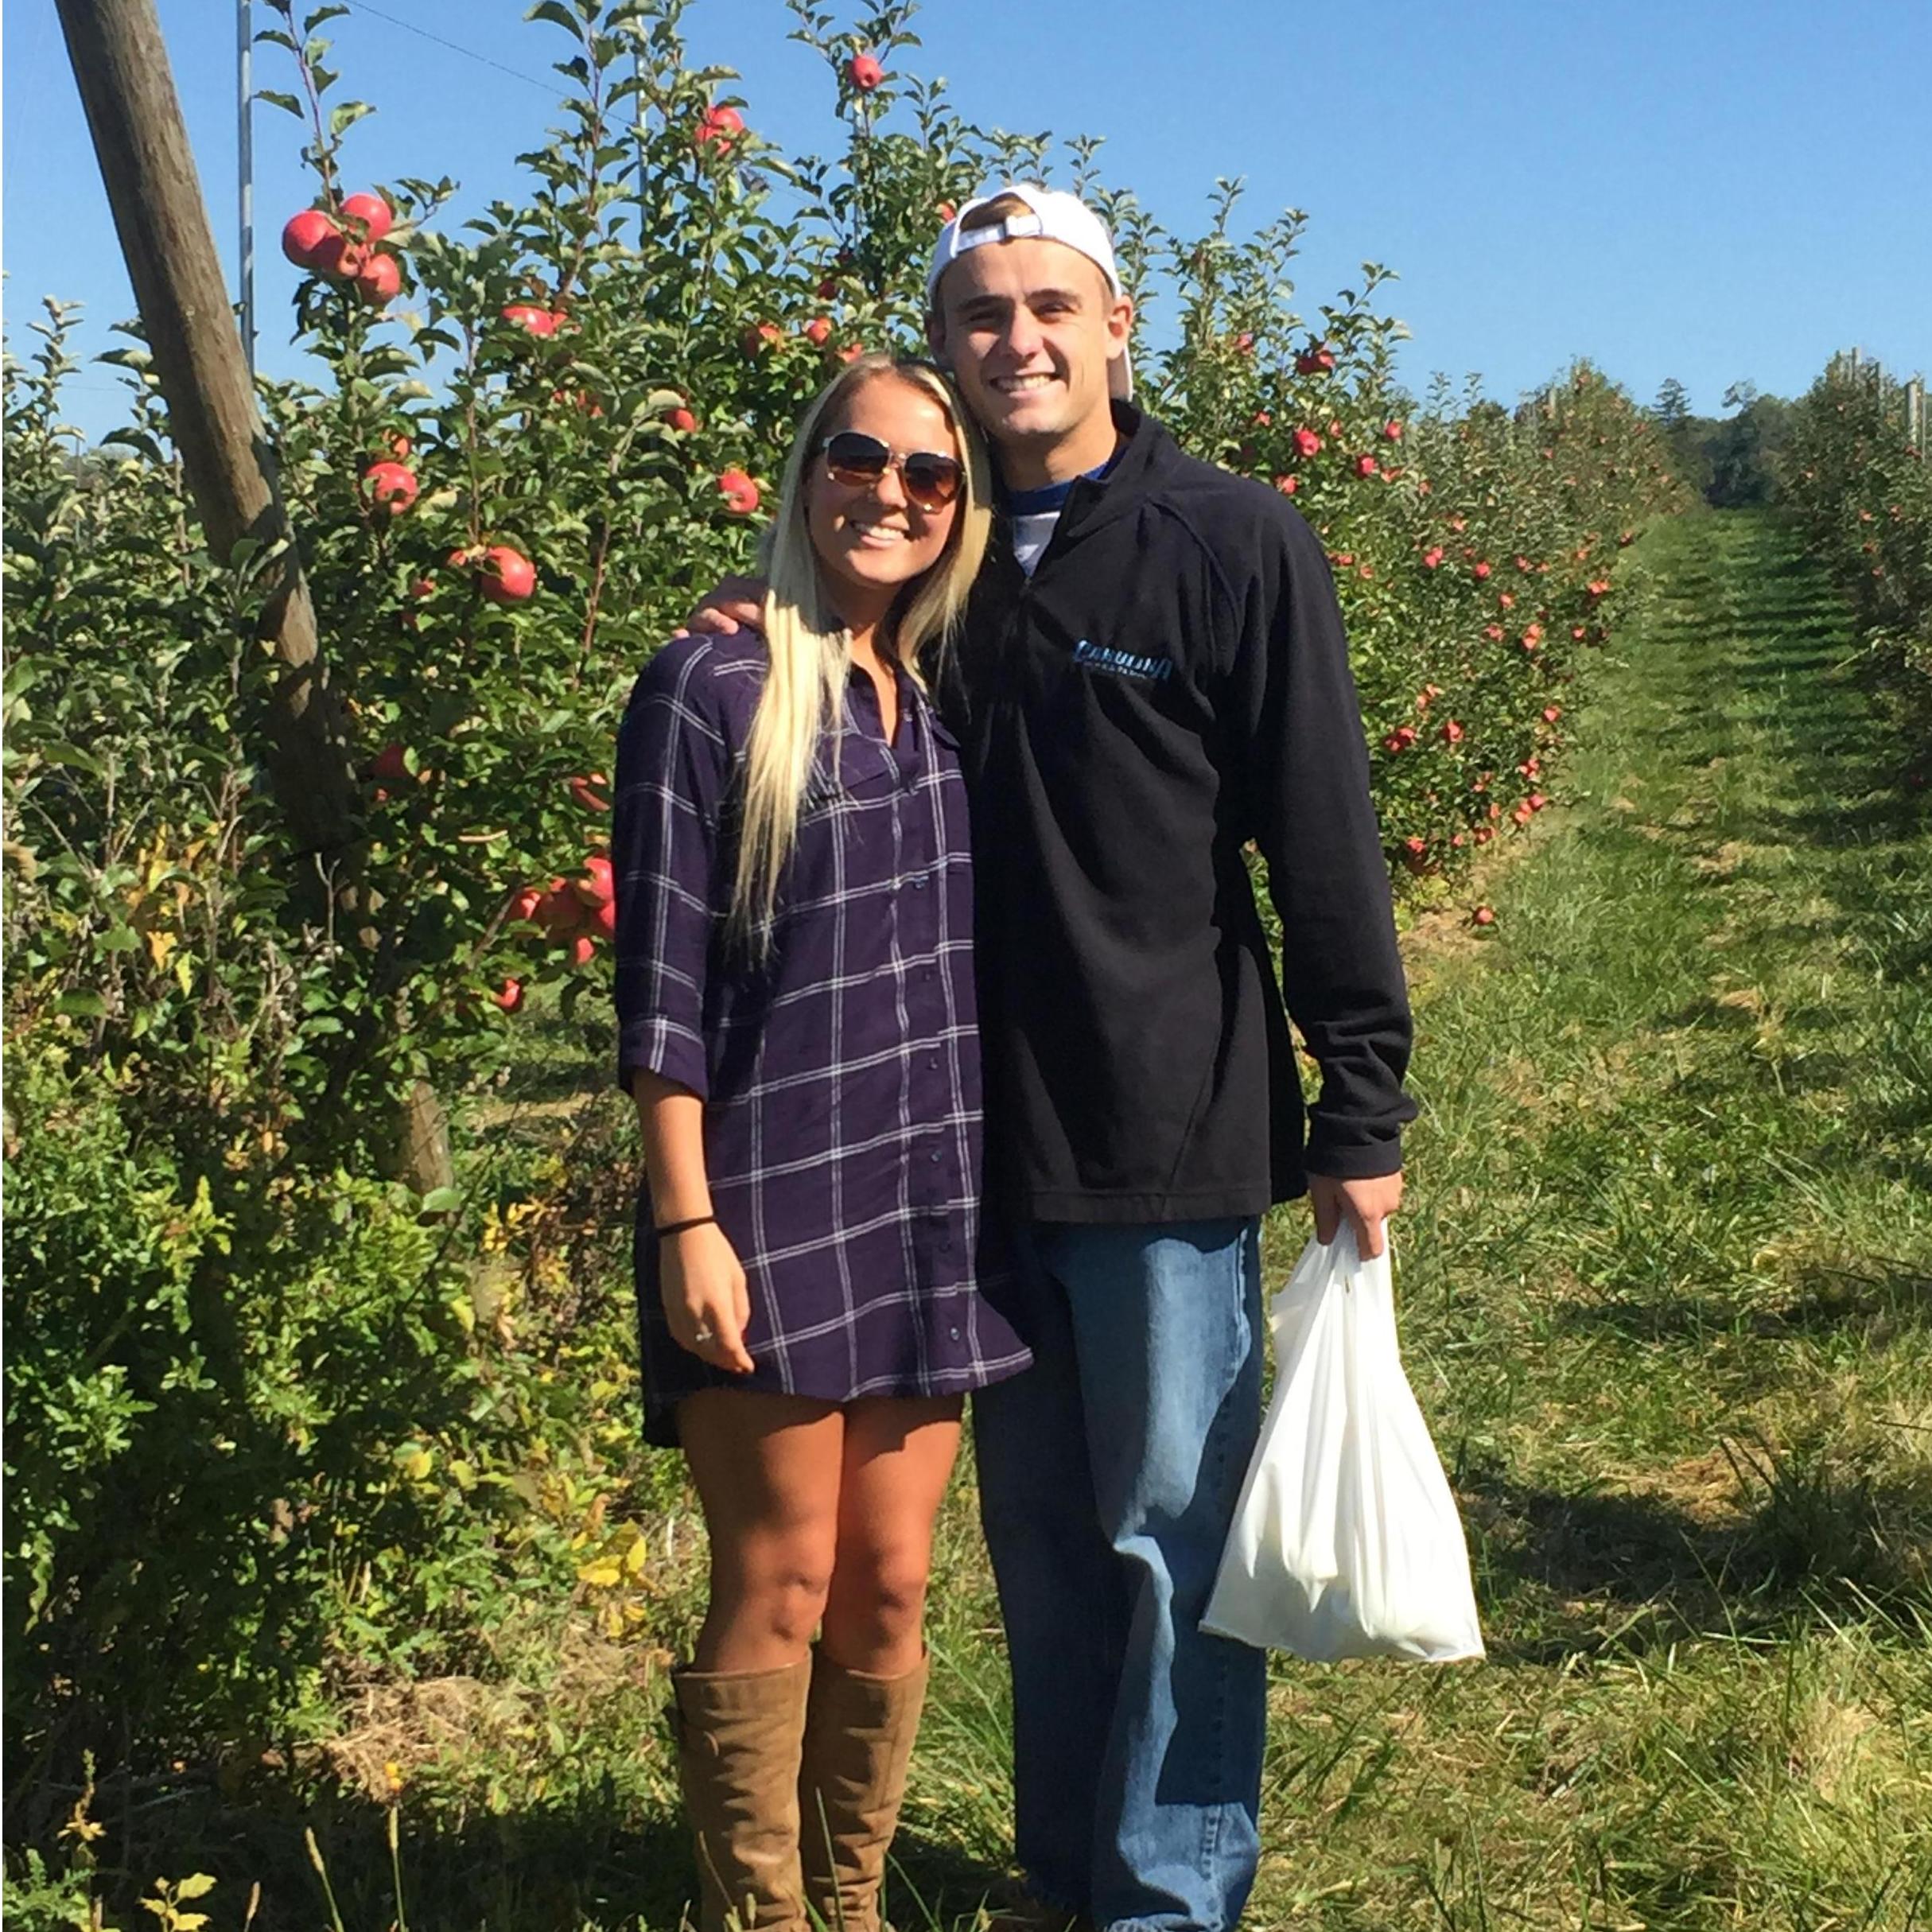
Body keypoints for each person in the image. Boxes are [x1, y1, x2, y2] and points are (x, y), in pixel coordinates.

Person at [690, 187, 1417, 1932]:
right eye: (980, 313)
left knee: (1170, 1543)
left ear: (1116, 326)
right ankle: (1063, 1879)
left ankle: (1167, 1899)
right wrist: (758, 612)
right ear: (944, 346)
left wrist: (1363, 1099)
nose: (1016, 339)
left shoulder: (1231, 542)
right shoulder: (928, 566)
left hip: (1162, 1130)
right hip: (956, 1156)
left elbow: (1321, 832)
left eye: (1048, 307)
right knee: (1037, 1555)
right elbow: (823, 655)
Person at [613, 352, 1032, 1932]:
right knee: (778, 1585)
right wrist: (684, 1218)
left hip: (934, 1192)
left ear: (958, 512)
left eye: (933, 476)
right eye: (860, 459)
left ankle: (848, 1901)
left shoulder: (938, 696)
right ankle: (759, 1917)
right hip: (771, 1192)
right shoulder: (714, 687)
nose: (892, 494)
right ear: (806, 472)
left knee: (893, 1588)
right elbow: (656, 981)